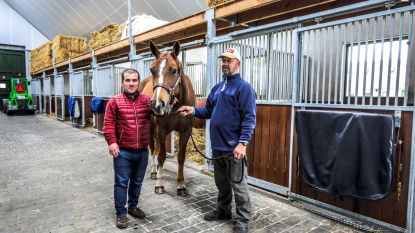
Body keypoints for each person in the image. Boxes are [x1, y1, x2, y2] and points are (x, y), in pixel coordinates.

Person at [179, 48, 256, 233]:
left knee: (239, 185)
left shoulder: (244, 88)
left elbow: (249, 118)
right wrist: (193, 110)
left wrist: (242, 143)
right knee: (221, 183)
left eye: (229, 61)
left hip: (233, 148)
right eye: (223, 60)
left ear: (237, 63)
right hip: (218, 146)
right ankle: (223, 210)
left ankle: (243, 220)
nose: (225, 64)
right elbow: (209, 112)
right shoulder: (217, 87)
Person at [103, 68, 151, 229]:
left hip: (143, 150)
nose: (131, 83)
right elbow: (108, 124)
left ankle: (133, 207)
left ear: (139, 82)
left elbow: (160, 114)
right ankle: (121, 214)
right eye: (128, 80)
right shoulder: (114, 101)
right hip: (123, 151)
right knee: (122, 183)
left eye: (134, 80)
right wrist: (112, 142)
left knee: (137, 181)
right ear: (122, 83)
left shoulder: (146, 100)